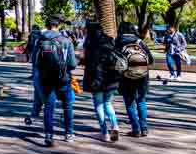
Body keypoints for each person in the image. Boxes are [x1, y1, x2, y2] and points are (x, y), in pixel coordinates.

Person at [35, 16, 78, 146]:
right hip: (63, 78)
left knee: (49, 107)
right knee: (67, 105)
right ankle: (69, 133)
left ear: (47, 25)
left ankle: (49, 135)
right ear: (58, 25)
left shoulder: (40, 40)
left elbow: (35, 61)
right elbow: (72, 63)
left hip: (46, 78)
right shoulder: (66, 40)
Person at [83, 23, 122, 142]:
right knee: (108, 103)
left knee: (99, 105)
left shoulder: (89, 43)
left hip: (96, 79)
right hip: (111, 78)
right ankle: (115, 125)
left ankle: (104, 132)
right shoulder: (110, 40)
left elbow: (85, 60)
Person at [116, 22, 154, 138]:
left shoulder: (118, 42)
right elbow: (151, 60)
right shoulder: (139, 41)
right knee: (141, 101)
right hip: (142, 76)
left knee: (130, 103)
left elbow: (114, 61)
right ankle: (144, 128)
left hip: (126, 77)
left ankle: (136, 129)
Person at [23, 25, 43, 126]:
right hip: (54, 73)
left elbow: (34, 57)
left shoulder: (36, 38)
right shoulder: (62, 39)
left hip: (39, 70)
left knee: (38, 94)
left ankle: (35, 115)